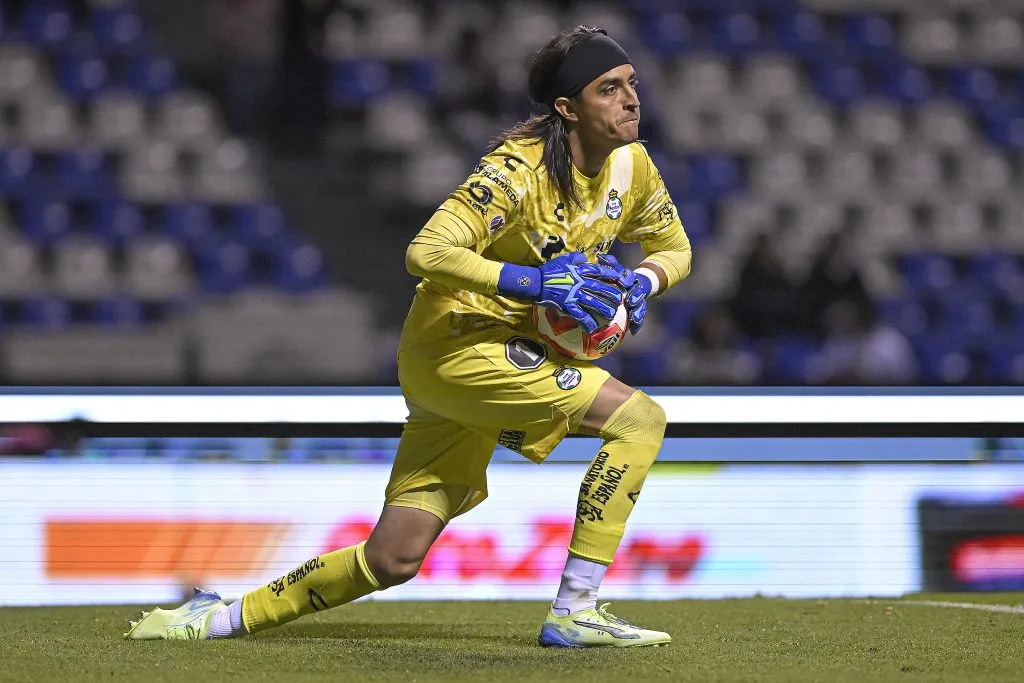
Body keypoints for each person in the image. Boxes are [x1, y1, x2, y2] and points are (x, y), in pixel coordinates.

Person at [125, 25, 692, 648]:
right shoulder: (515, 172)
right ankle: (576, 610)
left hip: (481, 363)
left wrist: (643, 280)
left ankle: (214, 619)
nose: (631, 99)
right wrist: (535, 285)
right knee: (639, 420)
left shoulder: (630, 166)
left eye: (632, 84)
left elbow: (674, 247)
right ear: (568, 108)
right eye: (609, 89)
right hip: (456, 347)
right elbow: (426, 251)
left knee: (393, 557)